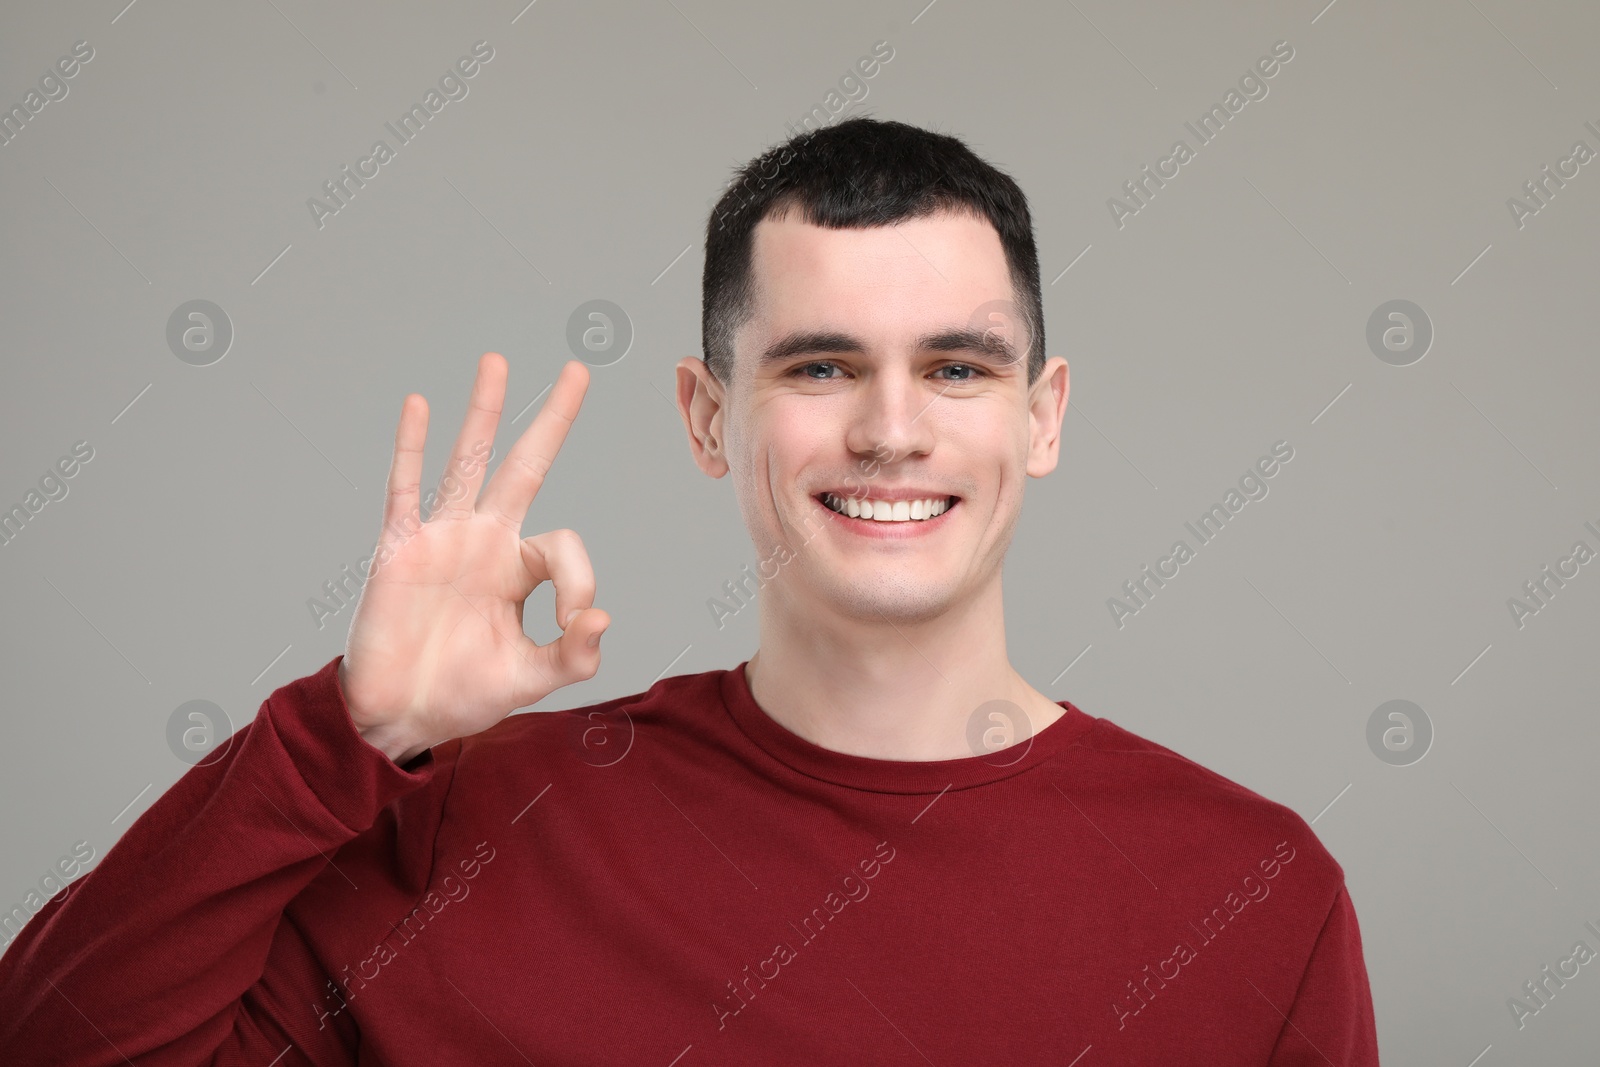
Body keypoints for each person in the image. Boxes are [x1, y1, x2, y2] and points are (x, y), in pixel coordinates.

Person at [0, 116, 1379, 1064]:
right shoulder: (472, 824)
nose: (892, 430)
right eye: (820, 367)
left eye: (958, 368)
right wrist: (342, 728)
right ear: (708, 418)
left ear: (1044, 416)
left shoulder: (1253, 893)